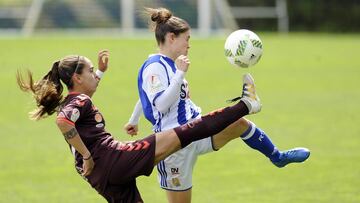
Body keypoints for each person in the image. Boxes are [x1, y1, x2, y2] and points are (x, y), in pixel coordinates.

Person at [16, 50, 265, 202]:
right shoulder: (79, 100)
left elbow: (80, 99)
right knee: (188, 131)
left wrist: (100, 72)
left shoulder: (76, 98)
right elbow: (63, 122)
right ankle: (247, 104)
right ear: (77, 78)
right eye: (91, 71)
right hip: (112, 159)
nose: (95, 75)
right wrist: (87, 155)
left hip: (100, 178)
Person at [124, 7, 310, 203]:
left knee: (238, 124)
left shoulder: (171, 64)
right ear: (171, 38)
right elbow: (159, 104)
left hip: (196, 129)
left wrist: (133, 119)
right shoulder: (155, 67)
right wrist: (180, 75)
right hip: (174, 147)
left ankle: (277, 156)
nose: (189, 45)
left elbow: (146, 95)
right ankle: (248, 104)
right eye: (186, 39)